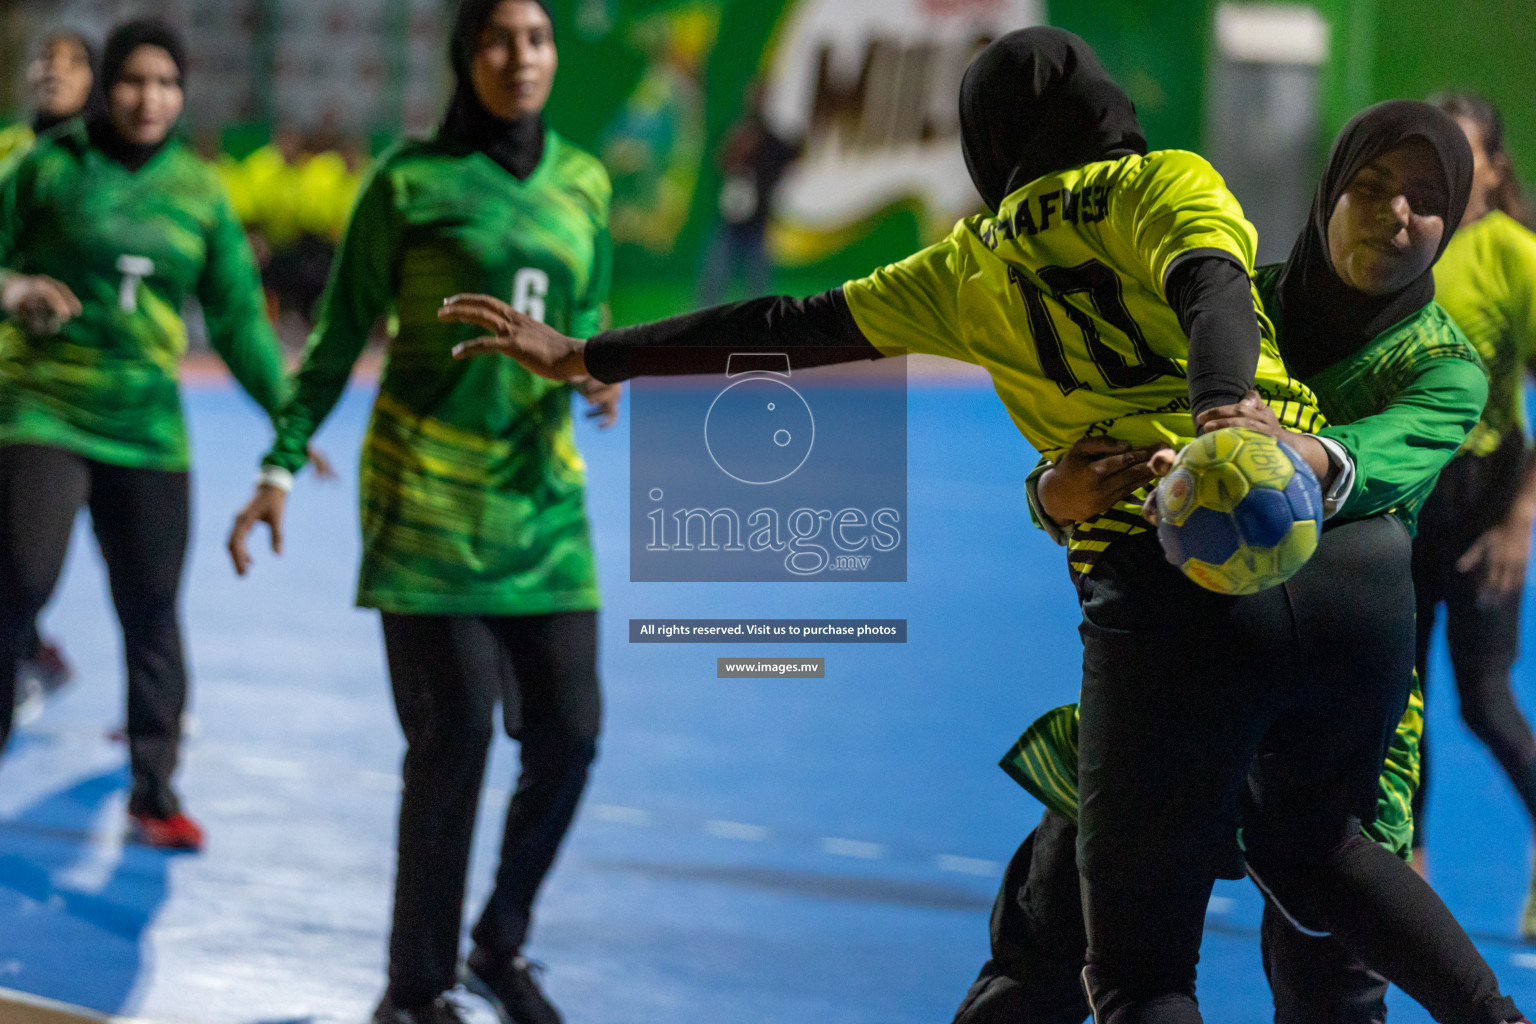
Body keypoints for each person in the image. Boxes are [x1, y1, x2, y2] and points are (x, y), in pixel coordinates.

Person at [441, 31, 1524, 1024]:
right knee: (1296, 858)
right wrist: (1221, 422)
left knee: (1148, 967)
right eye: (1374, 188)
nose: (1392, 218)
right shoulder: (1170, 183)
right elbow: (1209, 291)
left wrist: (595, 353)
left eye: (1423, 197)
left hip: (1174, 594)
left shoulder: (966, 266)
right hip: (1348, 582)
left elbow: (781, 327)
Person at [226, 3, 616, 1022]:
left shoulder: (585, 182)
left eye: (535, 37)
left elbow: (589, 325)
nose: (520, 56)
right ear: (463, 56)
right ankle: (414, 988)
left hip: (542, 506)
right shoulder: (406, 182)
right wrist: (276, 463)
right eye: (497, 38)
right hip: (425, 500)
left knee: (571, 735)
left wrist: (597, 374)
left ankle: (500, 940)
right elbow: (337, 335)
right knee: (455, 740)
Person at [0, 18, 295, 850]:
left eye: (167, 83)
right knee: (19, 586)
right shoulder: (46, 169)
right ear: (106, 86)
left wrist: (288, 414)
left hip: (148, 432)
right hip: (42, 410)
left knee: (153, 610)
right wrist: (14, 285)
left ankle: (154, 793)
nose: (148, 98)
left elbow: (238, 319)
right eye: (133, 80)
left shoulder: (199, 192)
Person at [1409, 92, 1536, 932]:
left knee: (1483, 700)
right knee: (1395, 697)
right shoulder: (1400, 245)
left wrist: (1520, 518)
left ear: (1493, 166)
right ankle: (1402, 875)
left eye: (1466, 153)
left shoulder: (1516, 256)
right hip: (1405, 502)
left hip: (1486, 502)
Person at [1, 27, 107, 720]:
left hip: (100, 395)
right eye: (44, 59)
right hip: (15, 389)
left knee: (130, 567)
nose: (51, 72)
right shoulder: (12, 155)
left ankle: (152, 711)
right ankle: (29, 649)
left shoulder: (113, 163)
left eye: (71, 63)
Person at [696, 80, 800, 305]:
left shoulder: (771, 136)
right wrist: (735, 152)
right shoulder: (738, 130)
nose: (757, 101)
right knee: (714, 279)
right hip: (730, 219)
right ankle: (700, 325)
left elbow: (792, 154)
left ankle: (760, 330)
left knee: (758, 286)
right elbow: (720, 160)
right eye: (755, 96)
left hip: (758, 220)